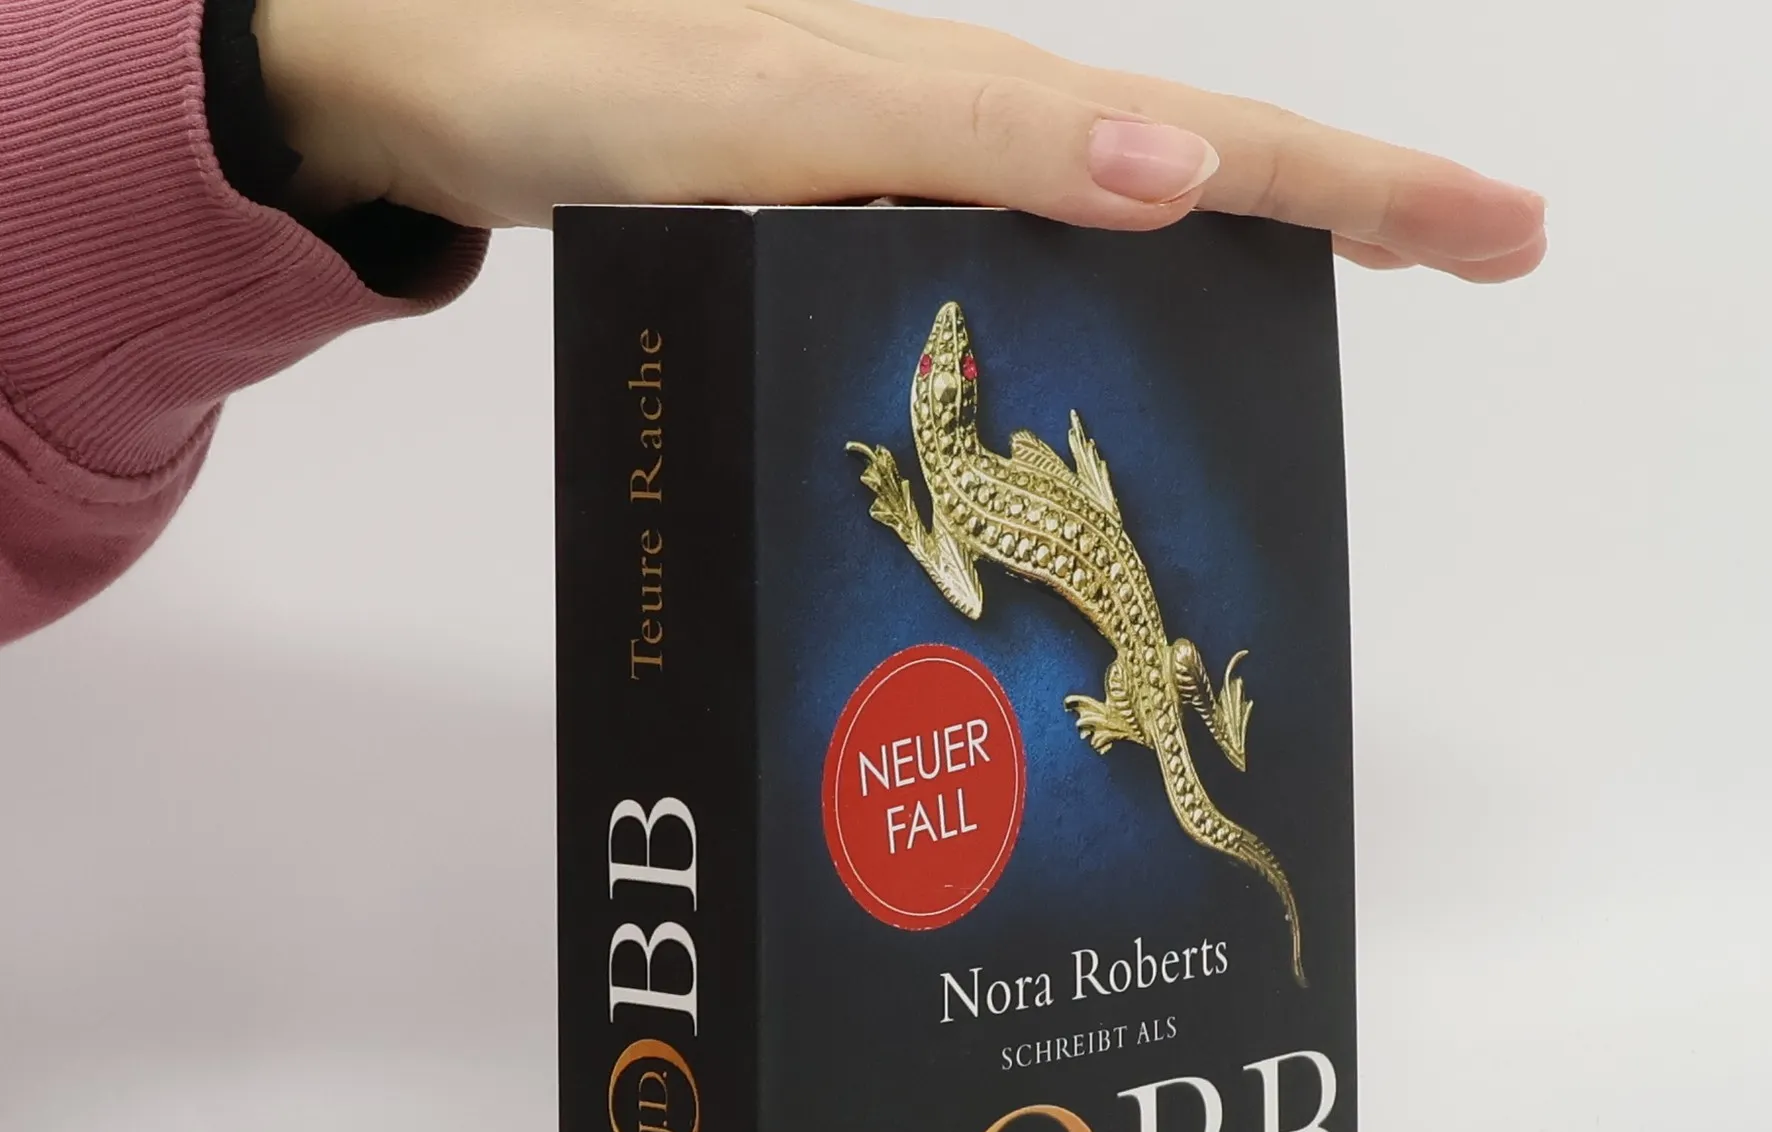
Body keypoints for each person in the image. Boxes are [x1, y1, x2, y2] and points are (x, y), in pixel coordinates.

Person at [0, 0, 1545, 647]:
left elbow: (971, 566)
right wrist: (228, 91)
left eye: (947, 370)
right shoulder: (966, 474)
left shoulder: (963, 477)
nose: (945, 374)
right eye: (945, 369)